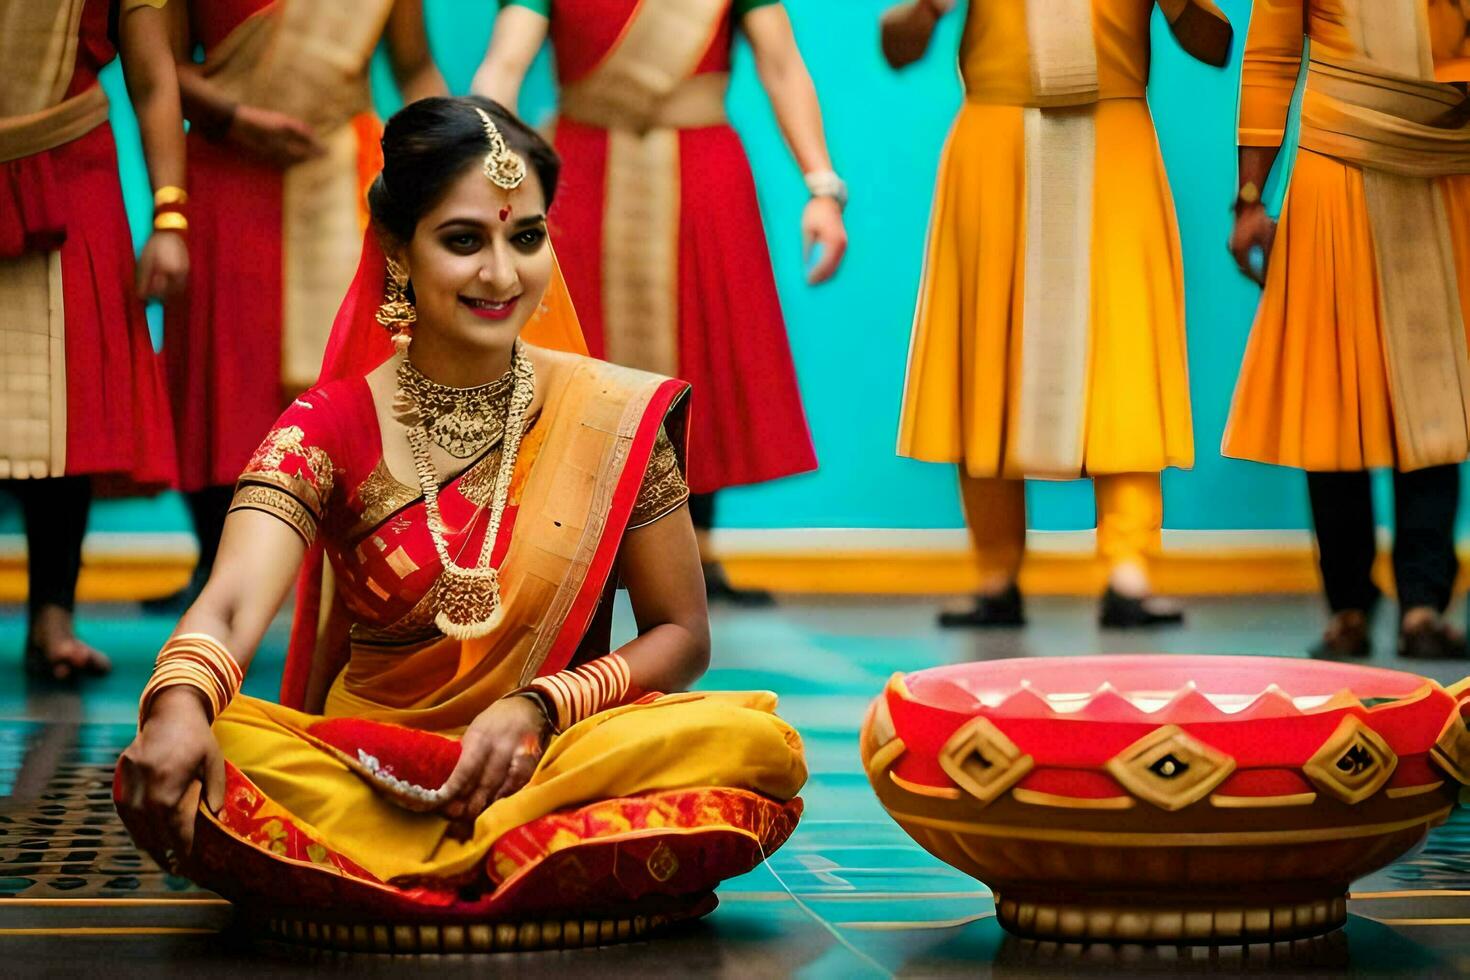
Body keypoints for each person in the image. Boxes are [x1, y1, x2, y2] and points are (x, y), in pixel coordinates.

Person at [115, 97, 805, 937]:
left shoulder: (613, 411)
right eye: (464, 240)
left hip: (554, 755)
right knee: (233, 754)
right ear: (398, 250)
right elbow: (228, 604)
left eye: (527, 238)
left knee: (747, 745)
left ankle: (389, 873)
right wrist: (179, 707)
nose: (502, 276)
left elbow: (683, 635)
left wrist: (540, 707)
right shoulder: (326, 427)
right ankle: (525, 863)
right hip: (367, 766)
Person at [472, 0, 848, 604]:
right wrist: (497, 166)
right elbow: (502, 68)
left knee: (703, 352)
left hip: (699, 170)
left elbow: (782, 65)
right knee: (576, 359)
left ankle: (695, 555)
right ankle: (576, 550)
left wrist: (822, 186)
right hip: (584, 172)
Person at [881, 0, 1232, 629]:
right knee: (988, 356)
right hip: (995, 149)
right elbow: (898, 48)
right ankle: (995, 575)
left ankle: (1129, 570)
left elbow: (1215, 47)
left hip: (1114, 144)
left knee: (1123, 357)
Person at [155, 0, 445, 609]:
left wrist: (452, 149)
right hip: (227, 171)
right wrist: (230, 116)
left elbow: (415, 68)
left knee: (356, 379)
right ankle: (219, 564)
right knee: (224, 372)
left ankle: (352, 567)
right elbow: (159, 65)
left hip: (343, 175)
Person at [1224, 0, 1470, 659]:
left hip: (1441, 163)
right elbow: (1271, 57)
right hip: (1336, 172)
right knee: (1331, 396)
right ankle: (1348, 608)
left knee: (1437, 401)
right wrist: (1250, 200)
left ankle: (1423, 606)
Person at [0, 0, 187, 678]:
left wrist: (170, 217)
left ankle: (55, 620)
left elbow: (153, 76)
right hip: (62, 166)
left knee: (69, 406)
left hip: (70, 169)